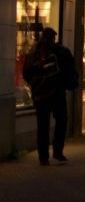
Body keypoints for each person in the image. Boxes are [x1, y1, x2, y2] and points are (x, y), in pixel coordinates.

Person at [21, 27, 76, 165]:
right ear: (53, 37)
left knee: (42, 125)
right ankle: (57, 152)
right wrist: (66, 84)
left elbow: (26, 73)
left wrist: (35, 84)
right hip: (57, 93)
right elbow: (70, 71)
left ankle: (43, 157)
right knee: (61, 121)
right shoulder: (61, 51)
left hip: (40, 95)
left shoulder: (33, 52)